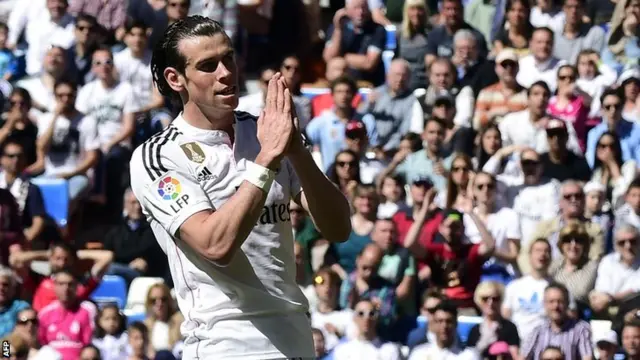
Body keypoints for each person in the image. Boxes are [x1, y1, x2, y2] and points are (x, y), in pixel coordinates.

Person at [130, 16, 351, 359]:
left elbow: (338, 227)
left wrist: (296, 151)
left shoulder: (268, 133)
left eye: (228, 58)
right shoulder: (158, 156)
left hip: (295, 339)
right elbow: (215, 244)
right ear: (176, 79)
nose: (225, 72)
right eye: (207, 65)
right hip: (226, 343)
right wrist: (267, 161)